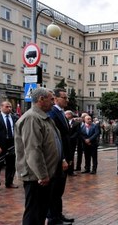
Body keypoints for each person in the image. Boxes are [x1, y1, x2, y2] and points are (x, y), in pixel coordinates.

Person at [14, 88, 61, 225]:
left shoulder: (44, 117)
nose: (53, 102)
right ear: (41, 99)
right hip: (36, 177)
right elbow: (33, 150)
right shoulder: (32, 118)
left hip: (44, 175)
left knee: (40, 212)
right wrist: (42, 175)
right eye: (51, 99)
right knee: (34, 213)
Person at [47, 88, 74, 224]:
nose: (67, 100)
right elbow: (54, 137)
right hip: (58, 156)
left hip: (65, 154)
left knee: (59, 189)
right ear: (56, 99)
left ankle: (58, 214)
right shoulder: (52, 112)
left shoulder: (61, 112)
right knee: (55, 189)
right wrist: (62, 157)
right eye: (64, 97)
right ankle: (53, 217)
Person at [0, 101, 18, 189]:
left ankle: (9, 182)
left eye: (10, 107)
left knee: (11, 164)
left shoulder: (15, 118)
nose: (9, 108)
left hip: (12, 144)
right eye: (7, 107)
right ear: (1, 107)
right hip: (0, 144)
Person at [65, 110, 79, 176]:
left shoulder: (76, 123)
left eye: (67, 114)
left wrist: (71, 138)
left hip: (72, 142)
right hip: (65, 142)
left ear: (70, 115)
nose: (66, 116)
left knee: (71, 157)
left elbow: (77, 132)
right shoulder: (64, 122)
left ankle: (71, 170)